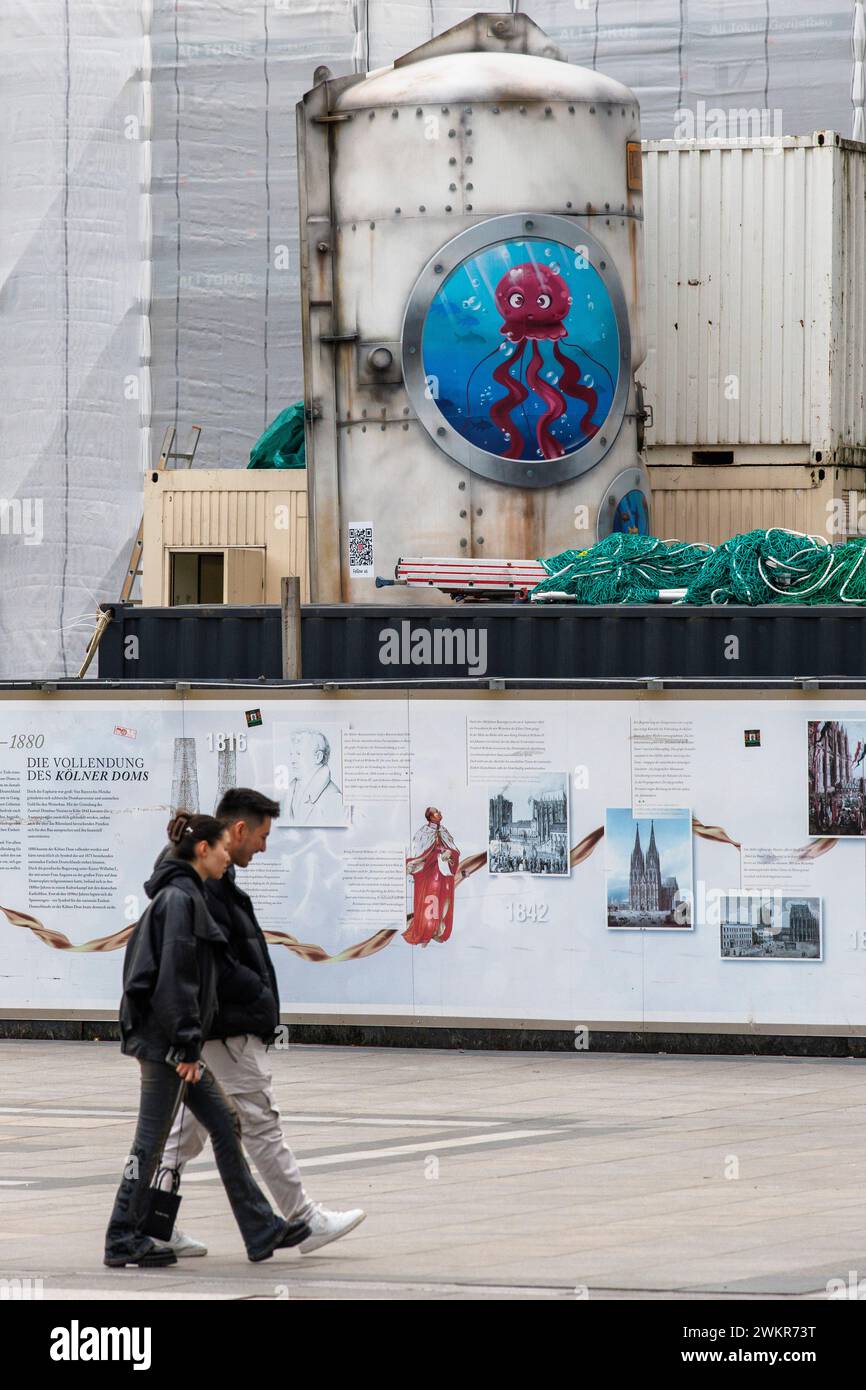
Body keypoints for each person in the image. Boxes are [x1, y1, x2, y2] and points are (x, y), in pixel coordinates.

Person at [156, 788, 365, 1257]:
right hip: (225, 1033)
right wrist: (254, 989)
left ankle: (153, 1223)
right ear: (238, 830)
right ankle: (305, 1219)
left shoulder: (212, 881)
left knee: (184, 1134)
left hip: (212, 1032)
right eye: (262, 837)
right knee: (260, 1121)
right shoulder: (203, 886)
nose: (263, 848)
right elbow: (210, 962)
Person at [104, 812, 311, 1268]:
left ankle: (260, 1229)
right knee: (150, 1141)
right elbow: (178, 978)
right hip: (165, 1047)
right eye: (221, 849)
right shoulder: (179, 900)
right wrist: (186, 1046)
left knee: (224, 1122)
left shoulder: (188, 894)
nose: (227, 859)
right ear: (203, 850)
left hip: (172, 1043)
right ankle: (122, 1235)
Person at [285, 730, 345, 825]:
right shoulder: (290, 790)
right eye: (291, 754)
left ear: (318, 757)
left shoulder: (333, 798)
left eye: (299, 754)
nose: (293, 760)